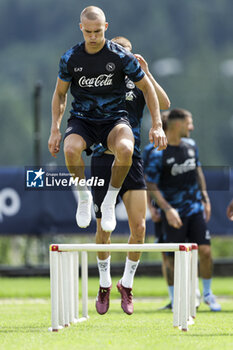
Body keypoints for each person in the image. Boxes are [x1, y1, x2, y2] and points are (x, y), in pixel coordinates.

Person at [48, 6, 167, 234]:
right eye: (88, 32)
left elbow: (147, 88)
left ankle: (110, 200)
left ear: (106, 27)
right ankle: (84, 197)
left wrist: (157, 124)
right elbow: (60, 93)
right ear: (81, 28)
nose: (93, 37)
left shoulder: (121, 56)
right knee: (70, 149)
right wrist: (55, 128)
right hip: (83, 119)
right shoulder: (70, 58)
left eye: (98, 32)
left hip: (114, 120)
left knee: (125, 148)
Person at [91, 36, 170, 315]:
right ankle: (103, 284)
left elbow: (164, 102)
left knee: (140, 229)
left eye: (124, 53)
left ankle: (126, 284)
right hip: (103, 159)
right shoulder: (99, 80)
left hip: (132, 160)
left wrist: (147, 73)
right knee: (104, 229)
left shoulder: (137, 83)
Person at [143, 108, 221, 312]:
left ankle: (207, 293)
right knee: (170, 257)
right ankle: (175, 298)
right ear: (178, 125)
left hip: (194, 208)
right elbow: (150, 184)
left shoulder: (191, 146)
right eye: (189, 123)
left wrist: (205, 198)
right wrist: (164, 209)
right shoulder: (156, 152)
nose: (192, 128)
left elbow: (198, 172)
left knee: (205, 250)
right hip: (171, 213)